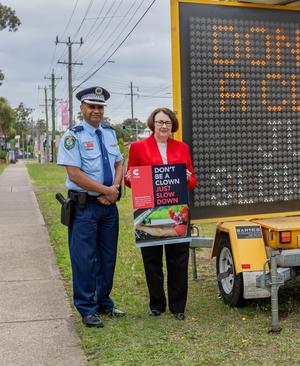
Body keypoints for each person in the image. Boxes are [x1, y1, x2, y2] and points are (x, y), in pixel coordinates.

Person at [57, 86, 125, 328]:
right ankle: (87, 308)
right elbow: (74, 174)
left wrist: (113, 190)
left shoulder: (109, 133)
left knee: (107, 257)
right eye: (92, 106)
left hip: (109, 206)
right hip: (84, 207)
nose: (96, 111)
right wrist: (106, 191)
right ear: (82, 109)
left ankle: (103, 301)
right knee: (84, 259)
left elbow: (119, 164)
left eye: (100, 107)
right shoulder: (73, 136)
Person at [124, 107, 197, 320]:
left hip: (176, 211)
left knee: (178, 260)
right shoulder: (138, 148)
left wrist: (186, 177)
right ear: (152, 124)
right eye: (159, 122)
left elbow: (192, 181)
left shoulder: (182, 148)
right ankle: (156, 304)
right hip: (149, 210)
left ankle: (178, 306)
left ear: (172, 125)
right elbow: (131, 179)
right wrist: (129, 178)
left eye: (167, 123)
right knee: (152, 260)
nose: (163, 126)